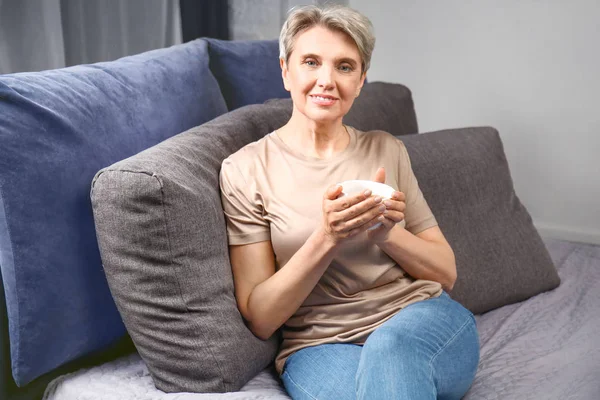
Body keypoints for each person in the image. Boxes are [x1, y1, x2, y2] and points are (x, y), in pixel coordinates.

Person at [219, 4, 480, 399]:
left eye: (344, 66)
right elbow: (261, 317)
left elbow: (445, 273)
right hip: (320, 346)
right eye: (310, 62)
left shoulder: (385, 149)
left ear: (360, 81)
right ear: (286, 71)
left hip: (423, 321)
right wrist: (327, 237)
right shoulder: (245, 170)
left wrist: (388, 235)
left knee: (392, 350)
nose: (326, 80)